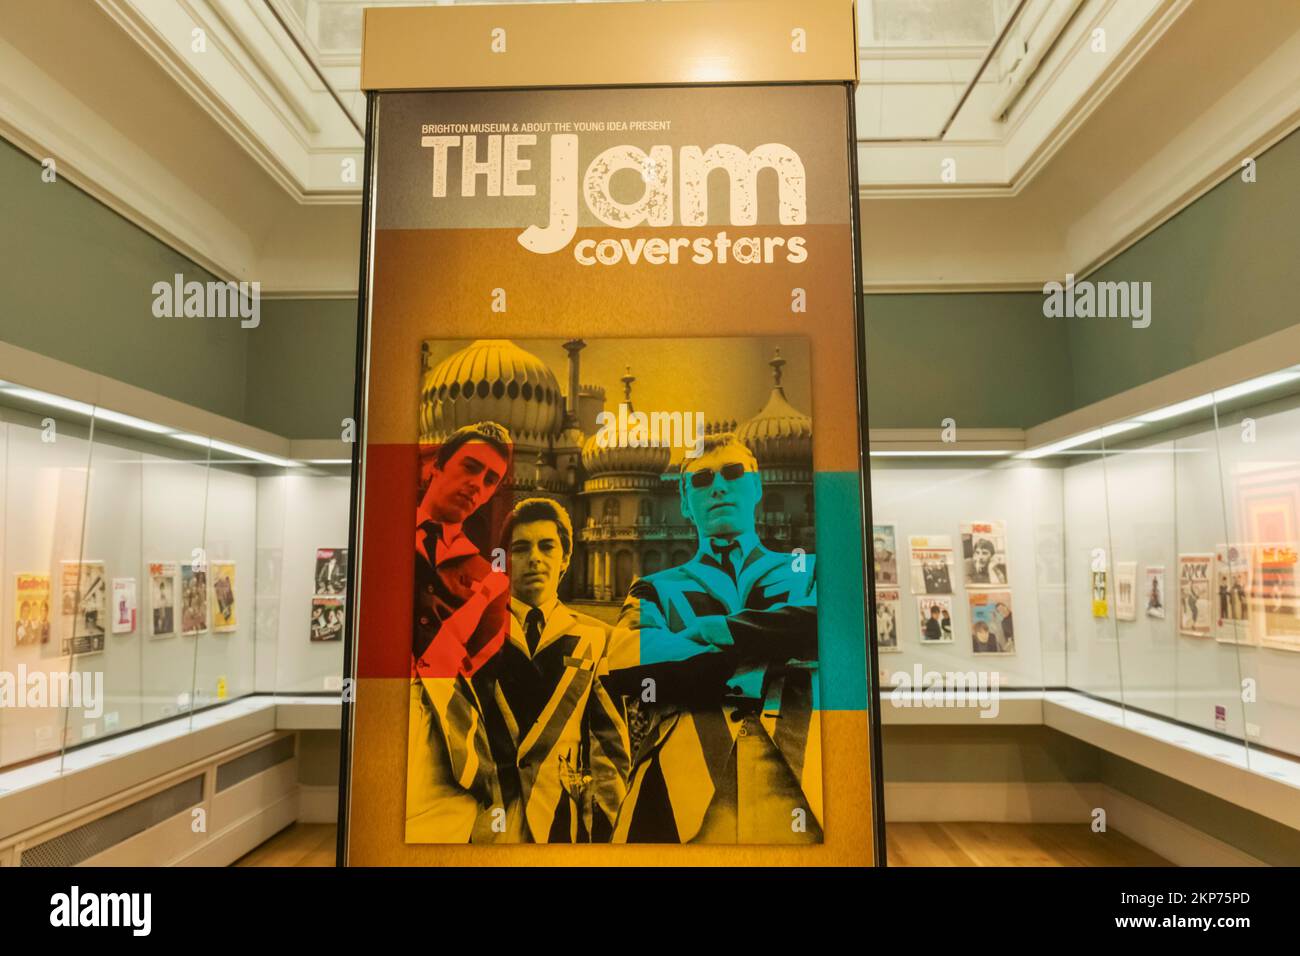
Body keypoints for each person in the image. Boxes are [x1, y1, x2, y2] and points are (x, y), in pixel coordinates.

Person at [606, 433, 820, 844]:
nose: (719, 485)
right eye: (702, 480)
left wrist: (713, 630)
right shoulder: (654, 586)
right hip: (680, 781)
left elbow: (825, 622)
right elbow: (626, 661)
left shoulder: (809, 570)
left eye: (733, 473)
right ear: (686, 502)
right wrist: (774, 651)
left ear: (756, 487)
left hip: (800, 773)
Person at [473, 498, 630, 842]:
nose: (534, 559)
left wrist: (607, 824)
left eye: (547, 546)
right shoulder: (474, 638)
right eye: (520, 548)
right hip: (490, 822)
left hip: (565, 821)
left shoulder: (594, 638)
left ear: (566, 559)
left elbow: (610, 748)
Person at [406, 421, 513, 844]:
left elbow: (481, 679)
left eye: (491, 481)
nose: (477, 486)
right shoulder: (379, 536)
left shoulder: (487, 579)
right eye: (471, 467)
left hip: (445, 754)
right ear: (436, 465)